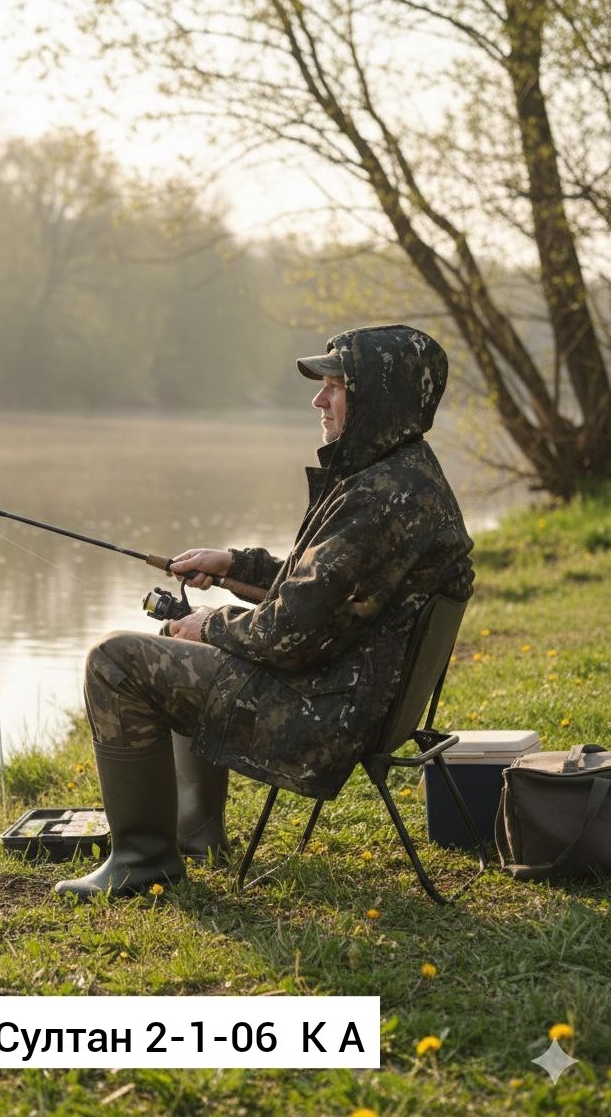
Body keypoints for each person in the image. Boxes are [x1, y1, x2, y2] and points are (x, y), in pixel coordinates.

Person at [55, 324, 474, 899]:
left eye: (336, 385)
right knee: (187, 644)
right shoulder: (401, 477)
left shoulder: (379, 499)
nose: (318, 398)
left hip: (324, 714)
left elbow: (288, 633)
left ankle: (142, 860)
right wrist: (236, 565)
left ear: (379, 396)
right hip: (351, 693)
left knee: (115, 661)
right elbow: (325, 591)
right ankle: (195, 839)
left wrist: (209, 623)